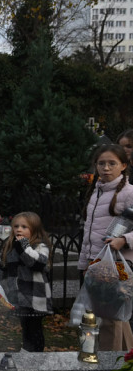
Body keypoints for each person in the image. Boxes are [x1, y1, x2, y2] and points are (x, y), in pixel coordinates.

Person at [77, 143, 133, 351]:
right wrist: (86, 263)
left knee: (110, 319)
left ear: (123, 165)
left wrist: (124, 239)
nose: (106, 168)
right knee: (114, 317)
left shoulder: (129, 193)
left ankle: (110, 363)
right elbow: (89, 233)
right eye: (101, 163)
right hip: (97, 263)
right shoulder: (96, 192)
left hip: (118, 263)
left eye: (112, 163)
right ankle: (127, 359)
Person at [0, 212, 51, 352]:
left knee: (34, 328)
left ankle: (36, 355)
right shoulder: (11, 247)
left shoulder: (40, 246)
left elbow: (37, 263)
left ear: (34, 229)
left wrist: (23, 246)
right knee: (25, 328)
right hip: (19, 296)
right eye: (16, 226)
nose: (19, 229)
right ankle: (27, 351)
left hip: (35, 297)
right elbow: (2, 265)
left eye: (24, 227)